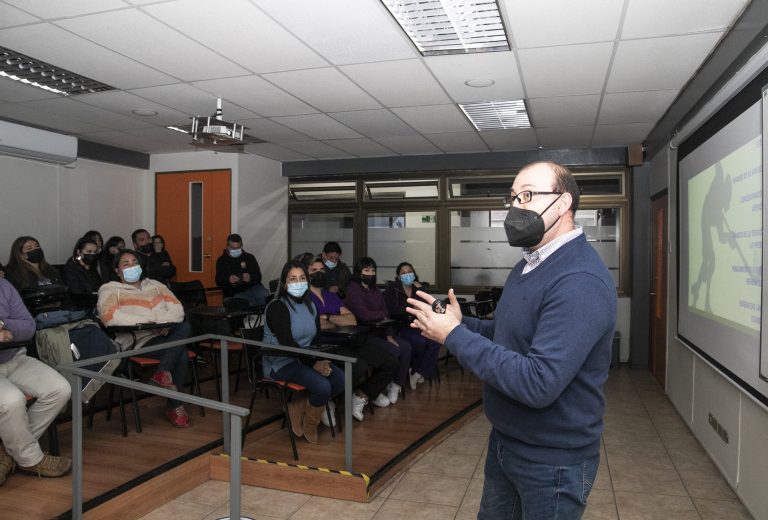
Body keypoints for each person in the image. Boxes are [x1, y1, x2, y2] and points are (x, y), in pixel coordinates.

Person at [406, 161, 617, 520]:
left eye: (529, 195)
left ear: (563, 203)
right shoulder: (529, 263)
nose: (516, 206)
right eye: (514, 197)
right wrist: (462, 324)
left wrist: (454, 336)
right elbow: (508, 336)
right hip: (507, 442)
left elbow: (538, 382)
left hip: (552, 461)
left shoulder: (579, 280)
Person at [97, 250, 192, 428]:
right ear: (117, 271)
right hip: (136, 341)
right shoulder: (110, 289)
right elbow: (110, 317)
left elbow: (177, 309)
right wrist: (152, 323)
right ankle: (174, 405)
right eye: (125, 264)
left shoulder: (156, 285)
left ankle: (162, 373)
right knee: (182, 354)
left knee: (185, 326)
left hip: (164, 335)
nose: (131, 266)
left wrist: (162, 325)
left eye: (135, 262)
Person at [261, 260, 344, 443]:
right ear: (284, 283)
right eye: (292, 279)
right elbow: (288, 344)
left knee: (340, 379)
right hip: (281, 362)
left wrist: (321, 361)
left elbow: (315, 341)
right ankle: (310, 424)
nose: (298, 283)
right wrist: (315, 364)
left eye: (301, 278)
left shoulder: (310, 305)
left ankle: (299, 404)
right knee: (323, 387)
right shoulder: (278, 307)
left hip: (305, 358)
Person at [307, 257, 398, 422]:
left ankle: (362, 395)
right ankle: (327, 401)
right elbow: (315, 324)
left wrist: (327, 317)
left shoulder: (330, 296)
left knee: (390, 361)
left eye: (321, 270)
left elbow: (351, 320)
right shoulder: (305, 298)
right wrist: (335, 319)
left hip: (349, 339)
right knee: (359, 367)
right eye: (314, 270)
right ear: (306, 273)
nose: (319, 273)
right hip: (326, 345)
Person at [0, 277, 72, 485]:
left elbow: (29, 326)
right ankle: (32, 459)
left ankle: (8, 452)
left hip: (14, 358)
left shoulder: (4, 286)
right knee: (12, 401)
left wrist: (4, 324)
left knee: (60, 389)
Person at [344, 257, 411, 406]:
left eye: (373, 270)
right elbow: (364, 315)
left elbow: (385, 312)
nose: (370, 273)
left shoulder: (374, 289)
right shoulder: (353, 289)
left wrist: (388, 334)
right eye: (366, 270)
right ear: (358, 272)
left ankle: (395, 384)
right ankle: (374, 390)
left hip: (381, 331)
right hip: (363, 335)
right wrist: (380, 314)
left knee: (406, 347)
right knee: (393, 351)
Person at [383, 262, 440, 390]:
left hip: (419, 324)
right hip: (401, 325)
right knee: (419, 342)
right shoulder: (393, 289)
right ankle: (414, 369)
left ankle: (419, 372)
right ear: (398, 276)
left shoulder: (417, 288)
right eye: (403, 273)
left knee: (435, 340)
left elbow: (427, 307)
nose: (407, 274)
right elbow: (389, 309)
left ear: (414, 273)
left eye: (409, 271)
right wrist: (409, 308)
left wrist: (420, 290)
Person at [215, 234, 268, 306]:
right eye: (233, 248)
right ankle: (252, 313)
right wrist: (228, 279)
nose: (236, 250)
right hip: (234, 292)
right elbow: (218, 280)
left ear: (242, 246)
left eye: (238, 248)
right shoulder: (222, 261)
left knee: (264, 295)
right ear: (227, 247)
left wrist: (250, 277)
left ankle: (261, 313)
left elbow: (258, 276)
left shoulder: (249, 258)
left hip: (253, 287)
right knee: (243, 303)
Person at [62, 237, 104, 311]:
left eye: (94, 252)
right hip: (79, 307)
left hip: (96, 303)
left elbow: (100, 285)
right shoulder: (71, 267)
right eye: (89, 252)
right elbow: (76, 292)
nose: (92, 255)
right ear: (79, 252)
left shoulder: (92, 265)